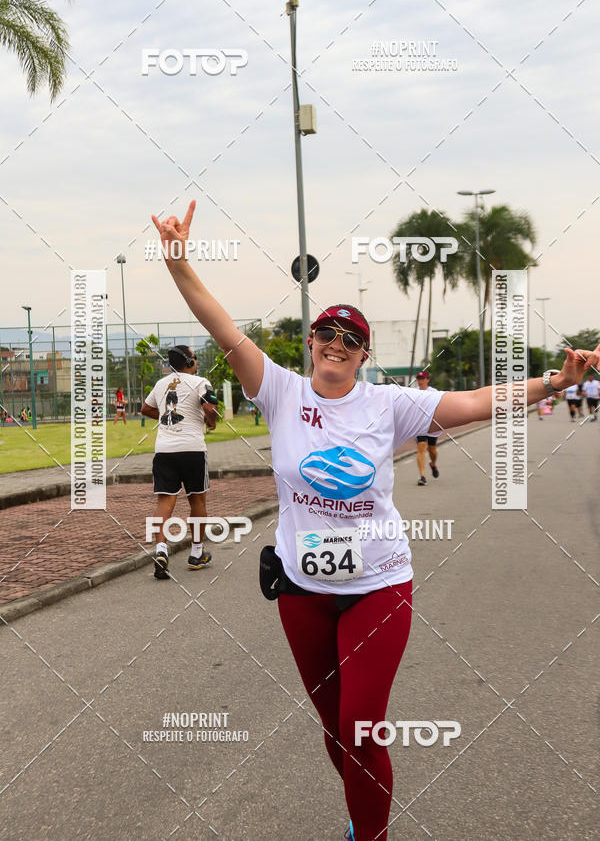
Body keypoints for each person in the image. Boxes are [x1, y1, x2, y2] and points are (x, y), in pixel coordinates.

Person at [151, 200, 600, 841]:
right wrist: (177, 261)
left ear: (363, 356)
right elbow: (221, 327)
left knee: (363, 722)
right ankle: (364, 815)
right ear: (310, 344)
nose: (337, 345)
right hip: (303, 591)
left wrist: (554, 383)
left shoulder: (390, 404)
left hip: (378, 585)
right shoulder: (280, 390)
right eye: (327, 334)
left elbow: (476, 401)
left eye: (351, 340)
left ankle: (372, 835)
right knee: (337, 732)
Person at [141, 344, 219, 578]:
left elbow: (145, 408)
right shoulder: (201, 382)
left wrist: (166, 419)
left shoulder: (160, 383)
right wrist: (211, 421)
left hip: (164, 450)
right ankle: (196, 553)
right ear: (189, 362)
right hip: (193, 449)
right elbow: (210, 406)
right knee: (198, 502)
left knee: (164, 504)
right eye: (195, 358)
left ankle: (162, 550)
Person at [413, 370, 440, 486]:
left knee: (432, 450)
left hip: (432, 424)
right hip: (419, 425)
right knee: (421, 447)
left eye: (422, 379)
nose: (420, 381)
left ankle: (433, 464)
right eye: (418, 379)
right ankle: (422, 476)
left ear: (427, 380)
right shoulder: (413, 392)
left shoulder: (434, 392)